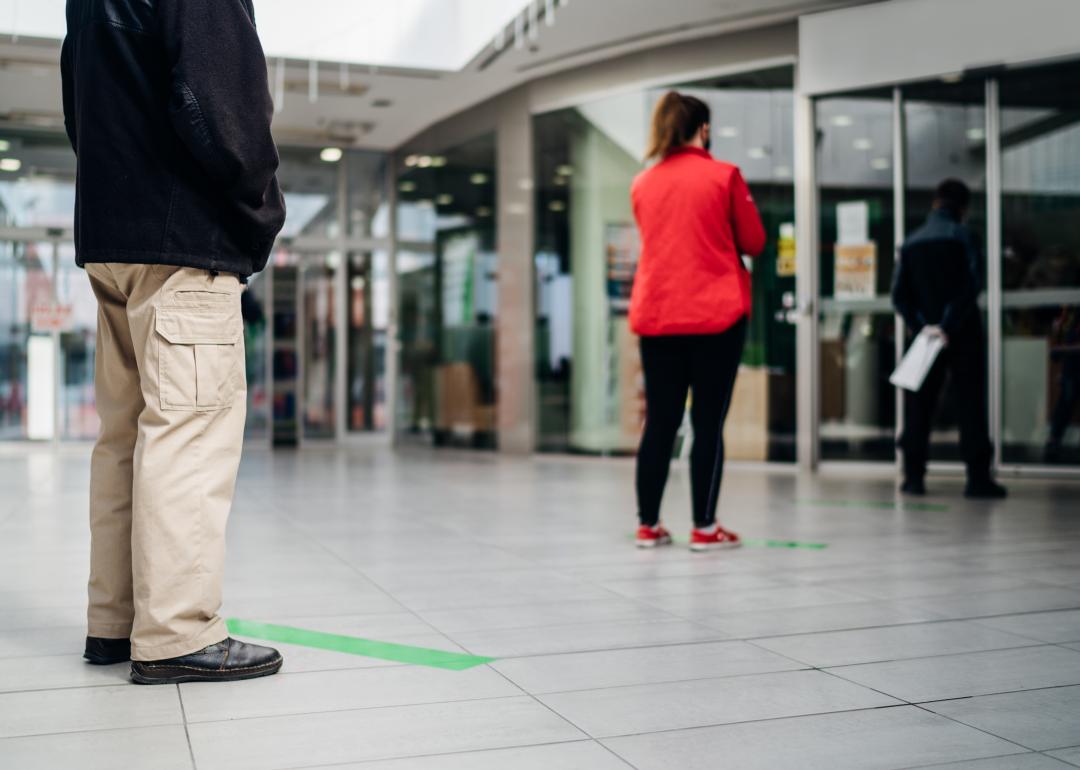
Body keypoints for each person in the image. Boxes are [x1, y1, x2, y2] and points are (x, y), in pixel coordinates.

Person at [62, 0, 287, 683]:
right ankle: (177, 631)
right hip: (183, 239)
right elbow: (224, 105)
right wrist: (262, 213)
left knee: (127, 438)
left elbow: (80, 103)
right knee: (189, 433)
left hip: (112, 238)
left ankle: (117, 621)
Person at [629, 92, 766, 552]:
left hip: (658, 317)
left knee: (660, 423)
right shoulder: (723, 176)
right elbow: (754, 240)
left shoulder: (643, 184)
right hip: (716, 317)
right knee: (707, 423)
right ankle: (704, 528)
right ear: (703, 130)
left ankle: (648, 524)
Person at [891, 179, 1006, 499]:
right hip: (962, 334)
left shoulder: (911, 242)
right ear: (963, 208)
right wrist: (948, 324)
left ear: (935, 203)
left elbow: (899, 296)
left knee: (919, 407)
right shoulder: (965, 236)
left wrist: (925, 327)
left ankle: (913, 477)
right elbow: (972, 286)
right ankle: (977, 479)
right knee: (970, 403)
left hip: (924, 337)